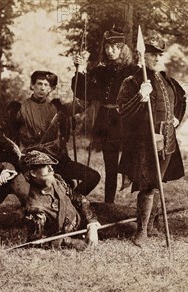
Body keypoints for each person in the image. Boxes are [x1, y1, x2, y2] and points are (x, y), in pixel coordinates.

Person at [117, 36, 186, 246]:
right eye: (152, 54)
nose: (156, 58)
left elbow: (181, 100)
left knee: (158, 183)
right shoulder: (132, 82)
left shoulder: (168, 80)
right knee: (147, 184)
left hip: (167, 140)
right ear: (142, 55)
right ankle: (141, 233)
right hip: (144, 141)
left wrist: (176, 118)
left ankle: (151, 226)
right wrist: (140, 97)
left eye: (159, 54)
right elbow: (122, 111)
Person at [0, 70, 100, 196]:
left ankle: (72, 201)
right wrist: (11, 146)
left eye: (46, 85)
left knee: (93, 176)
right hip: (32, 163)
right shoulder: (19, 108)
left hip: (56, 159)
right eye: (39, 84)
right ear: (32, 86)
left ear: (51, 89)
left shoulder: (57, 108)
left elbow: (83, 104)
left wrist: (80, 77)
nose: (42, 88)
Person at [72, 27, 140, 204]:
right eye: (108, 47)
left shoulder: (134, 70)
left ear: (123, 48)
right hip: (106, 121)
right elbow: (82, 92)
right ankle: (109, 203)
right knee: (110, 165)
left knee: (133, 160)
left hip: (127, 120)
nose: (110, 51)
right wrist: (81, 69)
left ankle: (143, 201)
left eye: (115, 47)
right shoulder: (101, 71)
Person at [21, 150, 137, 250]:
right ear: (33, 173)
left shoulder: (56, 180)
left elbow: (79, 198)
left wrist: (91, 223)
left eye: (51, 165)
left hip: (87, 212)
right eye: (46, 166)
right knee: (132, 227)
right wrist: (71, 242)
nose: (51, 169)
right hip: (79, 231)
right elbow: (37, 241)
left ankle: (153, 217)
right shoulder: (35, 208)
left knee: (131, 212)